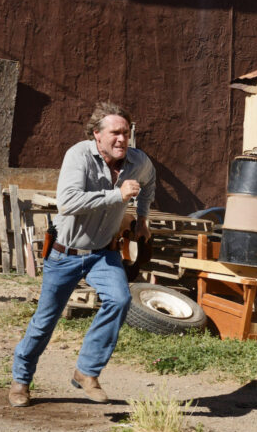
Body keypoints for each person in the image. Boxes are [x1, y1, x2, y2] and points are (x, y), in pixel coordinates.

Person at [9, 102, 155, 407]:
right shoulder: (78, 156)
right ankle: (21, 380)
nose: (121, 140)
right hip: (65, 252)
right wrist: (118, 195)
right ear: (96, 135)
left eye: (126, 133)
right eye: (115, 133)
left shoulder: (137, 162)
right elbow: (68, 203)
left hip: (103, 252)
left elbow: (150, 181)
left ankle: (86, 371)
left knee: (120, 299)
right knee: (45, 321)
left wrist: (142, 218)